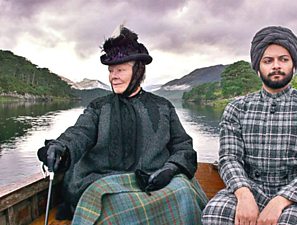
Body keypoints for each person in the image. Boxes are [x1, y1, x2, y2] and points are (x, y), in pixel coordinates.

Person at [37, 25, 207, 224]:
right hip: (104, 182)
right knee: (110, 210)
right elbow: (79, 134)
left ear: (137, 71)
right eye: (111, 71)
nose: (113, 76)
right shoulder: (99, 107)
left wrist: (169, 169)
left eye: (120, 70)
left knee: (184, 190)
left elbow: (183, 147)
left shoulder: (163, 107)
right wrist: (60, 148)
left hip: (151, 181)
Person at [202, 26, 297, 225]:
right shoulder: (236, 108)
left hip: (296, 197)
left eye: (283, 59)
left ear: (294, 65)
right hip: (246, 188)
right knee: (215, 213)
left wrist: (280, 201)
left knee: (296, 222)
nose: (276, 66)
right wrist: (244, 195)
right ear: (257, 68)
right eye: (268, 60)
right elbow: (229, 159)